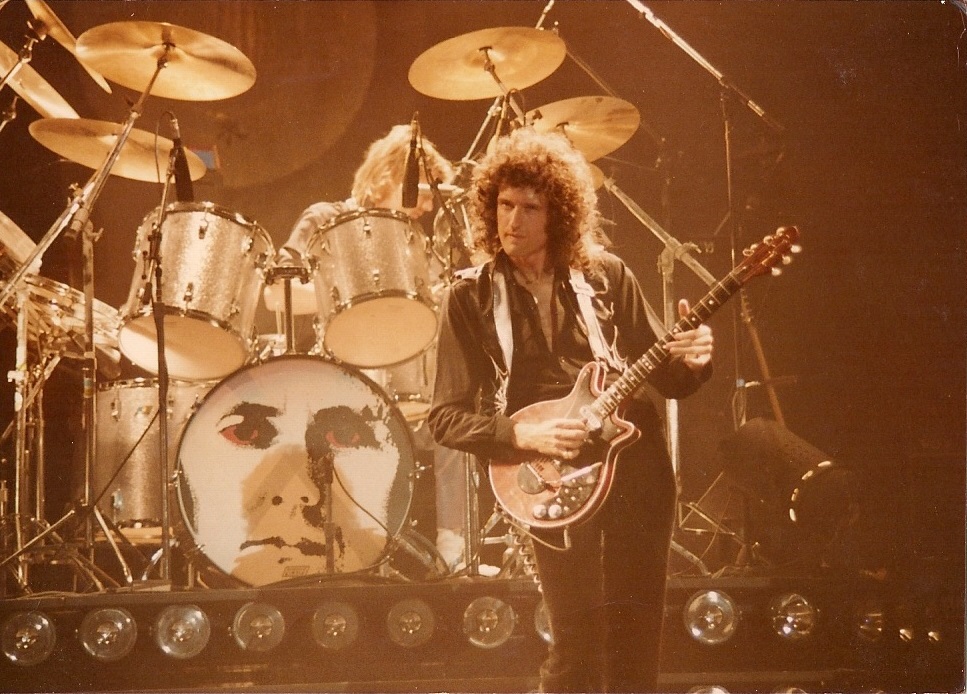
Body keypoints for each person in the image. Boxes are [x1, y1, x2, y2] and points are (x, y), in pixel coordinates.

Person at [428, 128, 714, 693]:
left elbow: (668, 379)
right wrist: (523, 436)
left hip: (636, 465)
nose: (512, 221)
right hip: (550, 477)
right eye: (504, 205)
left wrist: (696, 359)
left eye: (530, 208)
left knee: (637, 637)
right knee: (576, 644)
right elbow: (445, 416)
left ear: (558, 214)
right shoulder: (469, 297)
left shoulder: (607, 277)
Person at [277, 124, 472, 570]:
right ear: (390, 177)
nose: (429, 205)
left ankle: (454, 548)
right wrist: (353, 297)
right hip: (340, 382)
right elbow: (277, 293)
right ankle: (355, 548)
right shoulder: (324, 218)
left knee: (457, 423)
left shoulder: (417, 241)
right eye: (424, 192)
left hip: (410, 383)